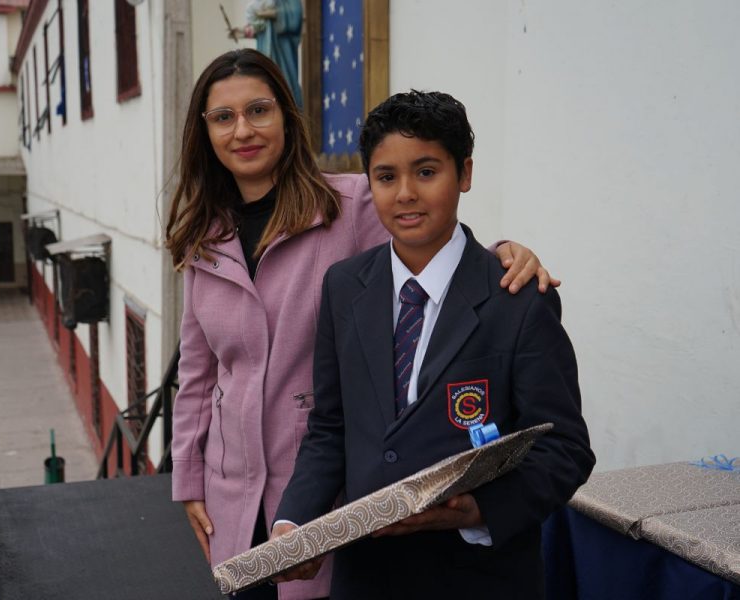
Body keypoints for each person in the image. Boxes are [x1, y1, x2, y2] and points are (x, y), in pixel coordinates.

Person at [165, 49, 557, 600]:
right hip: (233, 485)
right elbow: (198, 372)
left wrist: (503, 257)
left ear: (287, 116)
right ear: (203, 131)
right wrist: (188, 478)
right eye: (223, 117)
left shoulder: (348, 203)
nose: (243, 130)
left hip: (333, 490)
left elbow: (429, 252)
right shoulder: (204, 239)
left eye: (259, 110)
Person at [271, 90, 595, 599]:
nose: (405, 193)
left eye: (426, 172)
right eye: (386, 177)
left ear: (464, 174)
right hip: (368, 577)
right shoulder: (343, 287)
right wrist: (294, 522)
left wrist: (480, 509)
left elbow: (565, 448)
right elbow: (330, 427)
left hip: (479, 578)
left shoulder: (518, 299)